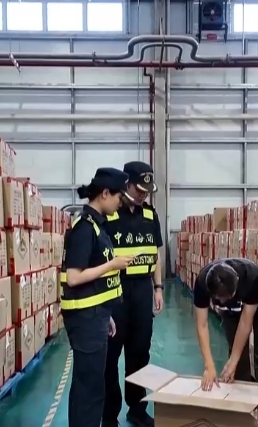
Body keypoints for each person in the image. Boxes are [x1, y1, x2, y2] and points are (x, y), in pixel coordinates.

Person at [60, 167, 136, 427]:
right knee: (89, 389)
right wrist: (112, 265)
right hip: (85, 319)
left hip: (95, 315)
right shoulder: (84, 228)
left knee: (89, 384)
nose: (119, 203)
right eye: (118, 197)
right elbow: (74, 277)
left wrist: (106, 314)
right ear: (105, 193)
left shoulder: (96, 226)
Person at [102, 161, 164, 427]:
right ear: (126, 184)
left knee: (140, 353)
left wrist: (158, 288)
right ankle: (109, 416)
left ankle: (137, 409)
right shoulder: (109, 215)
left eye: (147, 191)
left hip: (142, 291)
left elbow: (155, 254)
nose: (143, 195)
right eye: (139, 189)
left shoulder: (150, 215)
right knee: (110, 356)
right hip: (114, 291)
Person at [192, 258, 258, 423]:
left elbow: (246, 322)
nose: (223, 302)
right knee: (238, 365)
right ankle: (243, 416)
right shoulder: (202, 283)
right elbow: (202, 324)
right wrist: (209, 366)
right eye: (219, 300)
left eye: (228, 297)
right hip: (233, 312)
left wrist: (233, 360)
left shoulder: (253, 280)